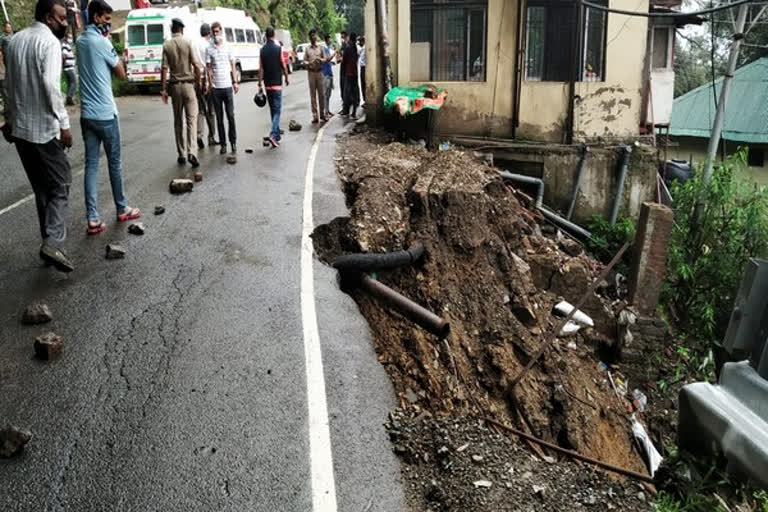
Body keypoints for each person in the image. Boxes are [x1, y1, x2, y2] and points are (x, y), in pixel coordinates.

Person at [1, 0, 75, 272]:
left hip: (20, 130)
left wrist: (8, 118)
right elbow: (50, 86)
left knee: (42, 189)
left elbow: (7, 84)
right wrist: (64, 124)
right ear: (48, 17)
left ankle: (48, 244)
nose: (65, 23)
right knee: (61, 182)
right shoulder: (50, 44)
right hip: (43, 130)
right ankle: (53, 242)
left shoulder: (16, 40)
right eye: (62, 18)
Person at [77, 0, 140, 235]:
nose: (108, 23)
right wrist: (117, 52)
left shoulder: (80, 41)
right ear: (95, 17)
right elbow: (121, 74)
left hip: (86, 115)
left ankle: (93, 218)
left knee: (91, 165)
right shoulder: (102, 42)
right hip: (105, 114)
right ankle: (122, 207)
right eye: (105, 18)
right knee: (114, 163)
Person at [161, 17, 202, 172]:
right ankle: (192, 151)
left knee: (178, 121)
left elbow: (164, 69)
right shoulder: (188, 42)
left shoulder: (167, 45)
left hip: (174, 87)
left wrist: (164, 90)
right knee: (192, 119)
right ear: (182, 29)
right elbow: (197, 66)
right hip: (188, 85)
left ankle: (181, 153)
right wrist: (197, 82)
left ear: (172, 29)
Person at [206, 21, 239, 155]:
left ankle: (233, 142)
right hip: (216, 88)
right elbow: (209, 68)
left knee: (230, 116)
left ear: (221, 31)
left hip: (227, 86)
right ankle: (223, 144)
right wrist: (209, 84)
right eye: (213, 32)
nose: (215, 34)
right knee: (219, 118)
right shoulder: (209, 49)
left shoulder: (228, 47)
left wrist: (235, 82)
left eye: (217, 31)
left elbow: (232, 65)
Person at [258, 26, 289, 149]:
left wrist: (259, 83)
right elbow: (283, 64)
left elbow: (260, 68)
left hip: (267, 85)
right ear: (274, 35)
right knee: (277, 111)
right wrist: (286, 77)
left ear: (265, 35)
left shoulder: (262, 50)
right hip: (277, 84)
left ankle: (276, 136)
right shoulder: (278, 49)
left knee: (272, 110)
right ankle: (272, 134)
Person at [196, 23, 216, 149]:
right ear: (209, 33)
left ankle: (199, 134)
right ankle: (211, 136)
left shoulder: (194, 44)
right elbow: (211, 65)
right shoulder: (209, 45)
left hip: (198, 80)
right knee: (212, 111)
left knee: (201, 111)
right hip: (209, 80)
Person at [305, 28, 325, 124]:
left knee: (321, 94)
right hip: (311, 73)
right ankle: (315, 116)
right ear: (309, 38)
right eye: (312, 35)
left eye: (314, 35)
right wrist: (309, 62)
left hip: (320, 72)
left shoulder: (320, 47)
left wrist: (321, 60)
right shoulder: (307, 49)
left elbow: (325, 59)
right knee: (313, 95)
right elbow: (304, 61)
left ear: (316, 36)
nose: (313, 37)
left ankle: (322, 114)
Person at [341, 32, 359, 119]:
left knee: (347, 93)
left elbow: (343, 62)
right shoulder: (354, 48)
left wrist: (343, 73)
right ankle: (353, 112)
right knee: (354, 93)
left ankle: (347, 111)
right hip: (354, 73)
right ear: (354, 39)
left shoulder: (348, 48)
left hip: (349, 73)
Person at [62, 29, 76, 106]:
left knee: (70, 83)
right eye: (69, 36)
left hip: (69, 67)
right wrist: (63, 64)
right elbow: (63, 55)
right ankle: (69, 97)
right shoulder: (65, 46)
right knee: (74, 83)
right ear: (66, 37)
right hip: (68, 68)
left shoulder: (67, 46)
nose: (71, 38)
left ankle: (68, 100)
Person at [322, 34, 334, 120]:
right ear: (327, 40)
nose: (330, 40)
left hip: (329, 73)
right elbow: (327, 59)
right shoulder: (324, 49)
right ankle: (325, 112)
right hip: (325, 74)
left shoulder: (327, 48)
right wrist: (335, 53)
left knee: (329, 94)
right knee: (325, 94)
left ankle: (327, 110)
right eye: (329, 39)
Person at [337, 31, 347, 106]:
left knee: (347, 85)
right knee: (342, 84)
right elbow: (338, 57)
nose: (342, 39)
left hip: (347, 69)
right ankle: (344, 99)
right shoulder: (341, 47)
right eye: (341, 37)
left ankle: (348, 100)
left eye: (343, 37)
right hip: (342, 68)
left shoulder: (348, 46)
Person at [358, 36, 366, 104]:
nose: (359, 43)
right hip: (362, 67)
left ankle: (365, 100)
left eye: (360, 42)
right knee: (363, 84)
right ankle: (365, 100)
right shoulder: (362, 48)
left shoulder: (364, 48)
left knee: (363, 84)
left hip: (364, 68)